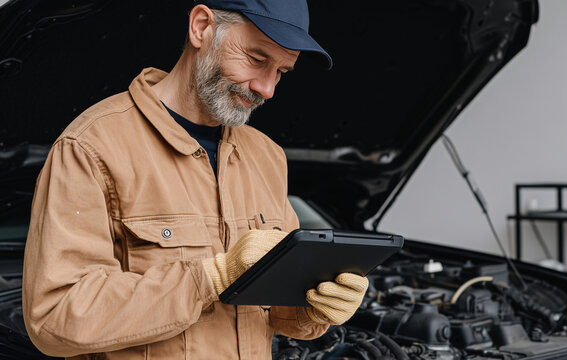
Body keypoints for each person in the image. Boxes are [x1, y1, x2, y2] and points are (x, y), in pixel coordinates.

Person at [21, 1, 369, 359]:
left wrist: (312, 306)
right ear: (201, 26)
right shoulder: (92, 146)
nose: (267, 89)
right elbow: (55, 318)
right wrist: (209, 279)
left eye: (281, 71)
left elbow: (275, 307)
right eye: (257, 58)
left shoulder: (267, 156)